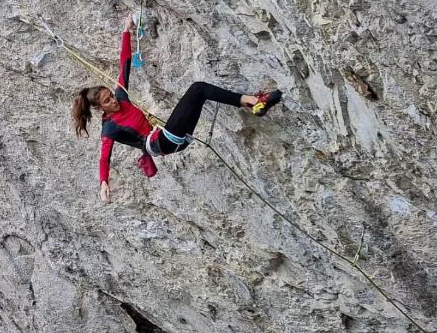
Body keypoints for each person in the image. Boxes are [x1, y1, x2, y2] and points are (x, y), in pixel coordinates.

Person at [71, 14, 282, 203]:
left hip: (169, 139)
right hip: (159, 143)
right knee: (197, 89)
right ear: (100, 108)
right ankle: (252, 102)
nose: (113, 101)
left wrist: (126, 30)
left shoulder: (121, 97)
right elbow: (104, 157)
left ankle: (256, 105)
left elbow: (124, 62)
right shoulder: (109, 128)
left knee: (201, 94)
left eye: (110, 96)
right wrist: (103, 183)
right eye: (107, 102)